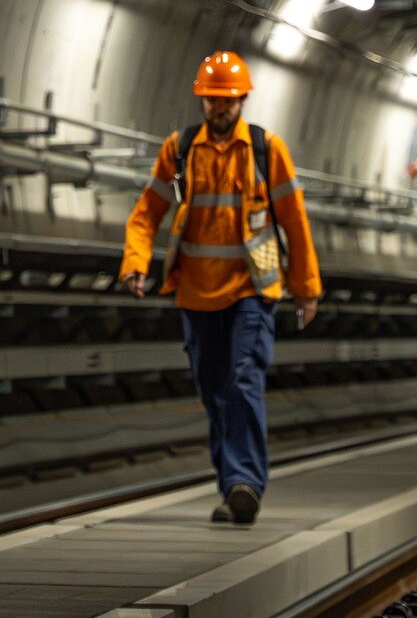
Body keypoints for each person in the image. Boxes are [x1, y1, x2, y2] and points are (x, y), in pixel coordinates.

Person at [119, 51, 322, 525]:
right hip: (195, 292)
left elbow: (294, 221)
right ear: (202, 100)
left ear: (242, 100)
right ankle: (231, 484)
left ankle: (244, 482)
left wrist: (306, 287)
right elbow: (147, 211)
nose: (218, 108)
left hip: (253, 289)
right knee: (213, 388)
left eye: (226, 100)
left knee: (242, 378)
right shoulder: (181, 149)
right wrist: (134, 262)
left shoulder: (267, 150)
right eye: (211, 100)